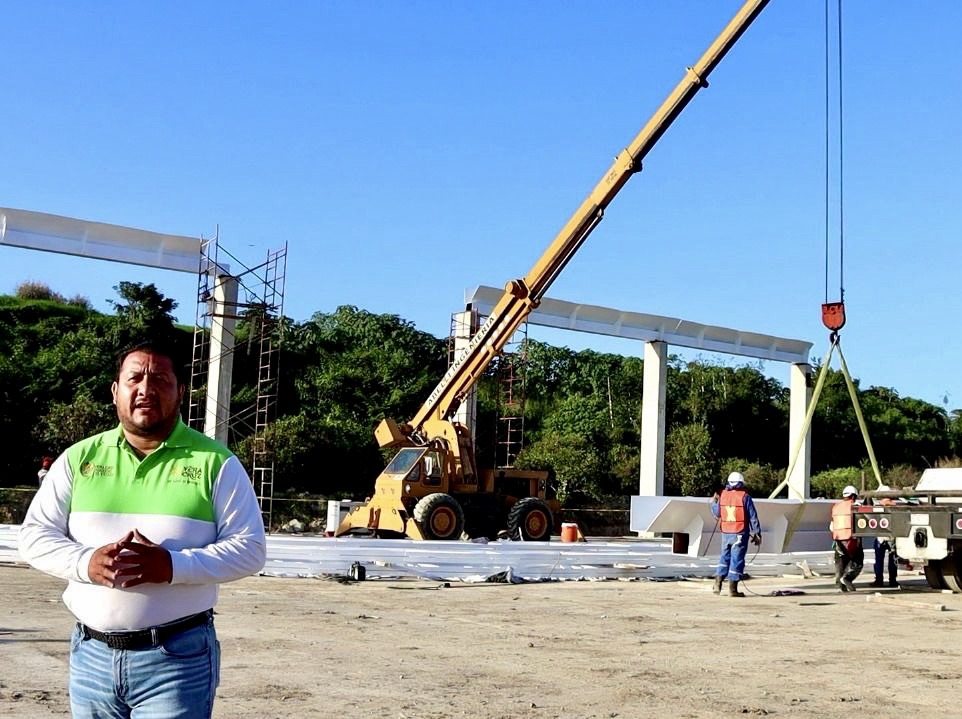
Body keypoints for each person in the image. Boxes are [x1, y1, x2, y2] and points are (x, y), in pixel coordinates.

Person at [18, 339, 267, 718]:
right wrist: (86, 562)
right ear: (116, 390)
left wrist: (171, 566)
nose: (145, 389)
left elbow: (250, 549)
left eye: (160, 379)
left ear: (180, 391)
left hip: (177, 660)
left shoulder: (216, 463)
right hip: (91, 657)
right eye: (134, 378)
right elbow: (34, 536)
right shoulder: (78, 459)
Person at [710, 471, 762, 598]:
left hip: (726, 533)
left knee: (724, 558)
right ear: (741, 483)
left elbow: (717, 514)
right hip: (739, 533)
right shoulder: (745, 496)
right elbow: (753, 517)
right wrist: (757, 533)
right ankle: (733, 590)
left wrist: (714, 502)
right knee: (737, 560)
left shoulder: (722, 495)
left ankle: (717, 583)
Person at [830, 485, 863, 592]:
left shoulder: (835, 507)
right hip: (851, 539)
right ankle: (847, 578)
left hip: (838, 539)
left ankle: (839, 584)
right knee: (857, 562)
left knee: (840, 562)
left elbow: (831, 526)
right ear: (853, 496)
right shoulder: (855, 506)